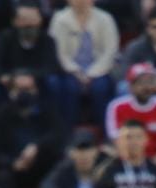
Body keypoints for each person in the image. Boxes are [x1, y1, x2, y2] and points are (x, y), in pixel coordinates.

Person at [49, 0, 120, 128]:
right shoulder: (59, 19)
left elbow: (110, 51)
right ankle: (67, 132)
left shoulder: (105, 18)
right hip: (69, 69)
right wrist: (76, 71)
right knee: (69, 88)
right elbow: (58, 52)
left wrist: (92, 74)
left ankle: (104, 132)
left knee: (101, 88)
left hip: (99, 69)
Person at [0, 1, 63, 112]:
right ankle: (0, 123)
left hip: (38, 82)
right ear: (15, 21)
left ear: (40, 20)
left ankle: (48, 122)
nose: (29, 25)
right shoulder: (5, 37)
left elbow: (52, 65)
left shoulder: (47, 40)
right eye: (24, 20)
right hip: (10, 83)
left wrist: (31, 77)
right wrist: (12, 77)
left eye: (32, 20)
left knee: (53, 83)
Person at [106, 63, 156, 164]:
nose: (147, 87)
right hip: (126, 163)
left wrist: (152, 167)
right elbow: (115, 141)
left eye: (150, 82)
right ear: (131, 86)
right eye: (141, 83)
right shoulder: (116, 107)